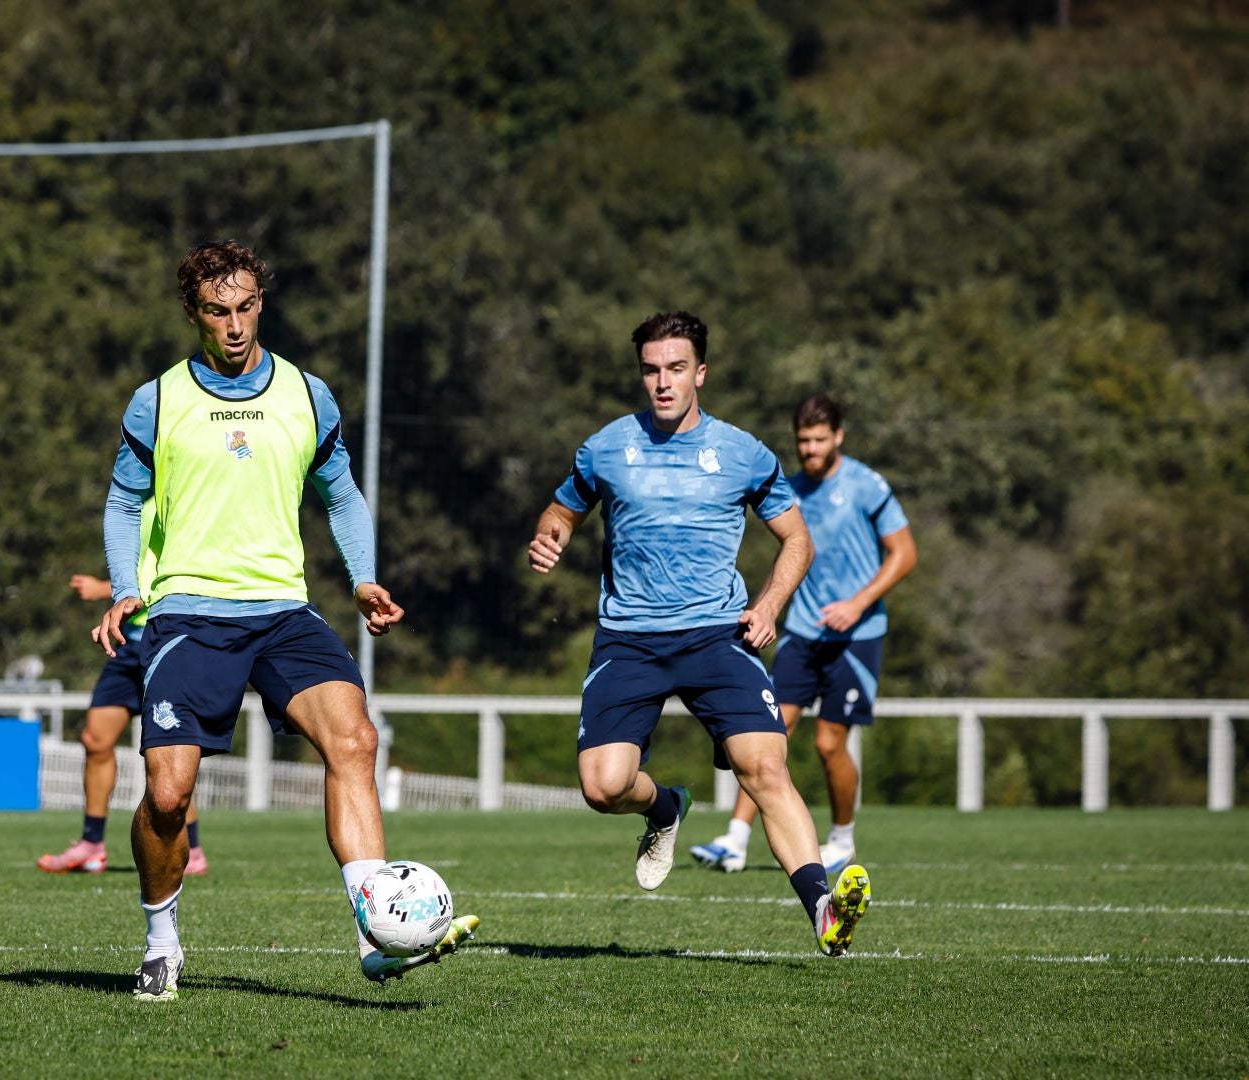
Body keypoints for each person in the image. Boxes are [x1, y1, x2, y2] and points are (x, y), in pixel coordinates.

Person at [92, 239, 478, 1001]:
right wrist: (125, 585)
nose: (233, 326)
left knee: (355, 738)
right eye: (216, 311)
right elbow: (122, 501)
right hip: (189, 615)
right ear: (192, 313)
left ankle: (377, 937)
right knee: (168, 796)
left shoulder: (308, 394)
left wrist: (364, 579)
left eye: (244, 308)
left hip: (283, 612)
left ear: (260, 303)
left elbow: (341, 495)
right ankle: (161, 940)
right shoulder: (159, 399)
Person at [526, 310, 870, 956]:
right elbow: (563, 509)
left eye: (676, 369)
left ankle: (823, 909)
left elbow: (797, 538)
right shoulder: (607, 447)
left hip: (717, 636)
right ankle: (664, 807)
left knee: (765, 766)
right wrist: (553, 536)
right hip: (629, 639)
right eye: (652, 370)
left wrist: (769, 606)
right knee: (602, 787)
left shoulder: (742, 453)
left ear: (700, 373)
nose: (662, 382)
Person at [691, 394, 915, 877]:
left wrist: (857, 604)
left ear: (838, 437)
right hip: (800, 633)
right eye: (803, 441)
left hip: (856, 637)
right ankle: (734, 839)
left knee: (829, 745)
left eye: (818, 440)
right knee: (764, 734)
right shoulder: (787, 490)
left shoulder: (865, 485)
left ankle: (842, 839)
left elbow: (904, 554)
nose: (810, 449)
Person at [37, 573, 207, 877]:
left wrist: (104, 588)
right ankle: (92, 845)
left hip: (169, 641)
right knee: (95, 740)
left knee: (167, 748)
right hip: (127, 644)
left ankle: (190, 850)